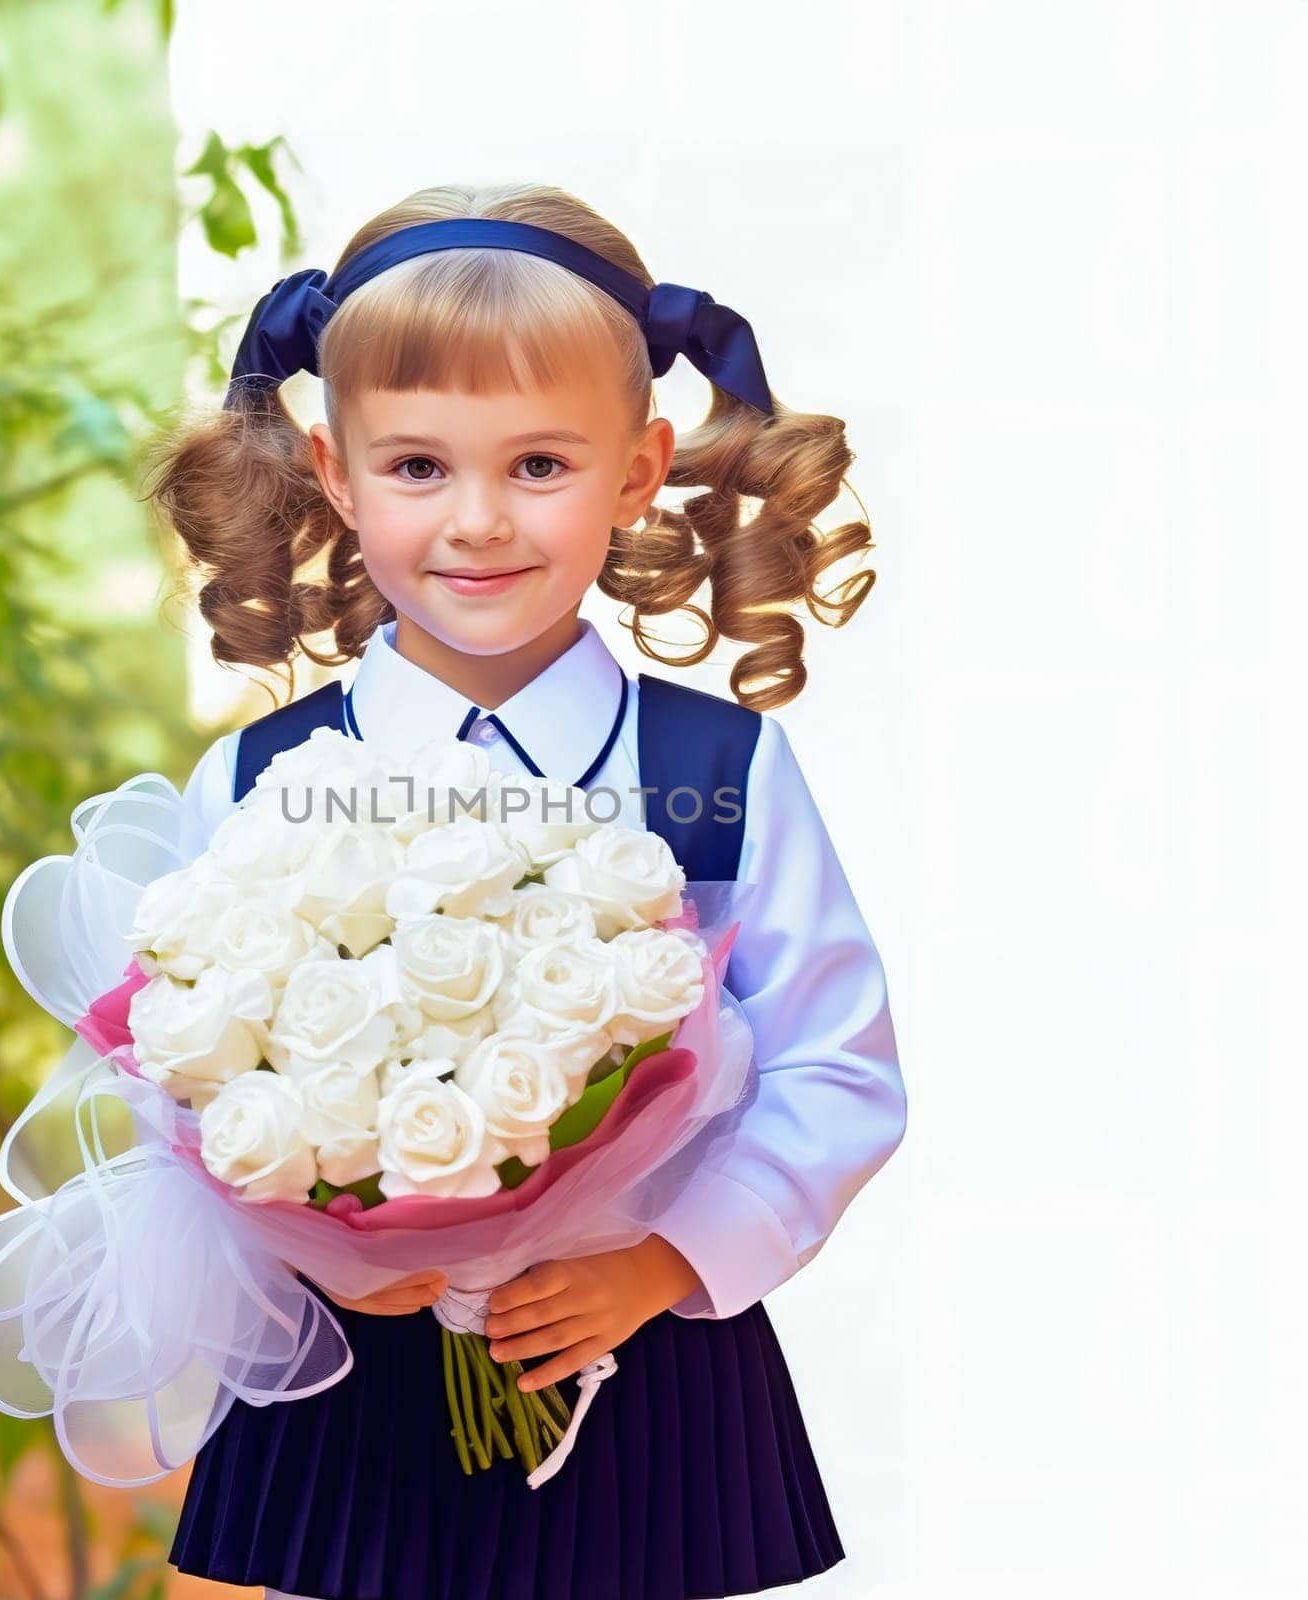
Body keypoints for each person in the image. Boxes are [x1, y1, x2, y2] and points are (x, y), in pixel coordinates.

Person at [147, 181, 907, 1600]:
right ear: (331, 467)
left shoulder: (715, 770)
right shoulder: (262, 779)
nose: (479, 522)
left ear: (636, 470)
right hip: (350, 1367)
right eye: (418, 466)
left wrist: (670, 1262)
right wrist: (299, 1245)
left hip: (641, 1364)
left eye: (541, 466)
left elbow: (838, 1067)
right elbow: (165, 1075)